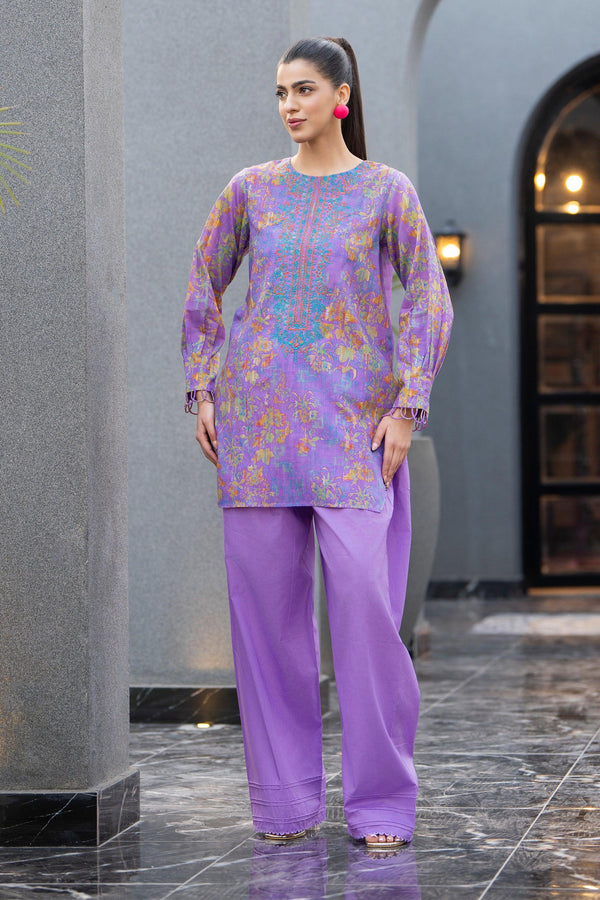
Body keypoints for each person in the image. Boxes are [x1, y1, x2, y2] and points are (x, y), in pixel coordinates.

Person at [181, 36, 453, 851]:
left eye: (303, 90)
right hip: (258, 434)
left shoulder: (385, 192)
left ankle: (382, 805)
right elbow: (203, 288)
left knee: (366, 619)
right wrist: (203, 388)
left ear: (341, 97)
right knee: (267, 629)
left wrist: (408, 404)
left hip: (353, 435)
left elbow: (427, 299)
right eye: (280, 92)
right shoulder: (250, 191)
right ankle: (286, 804)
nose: (289, 105)